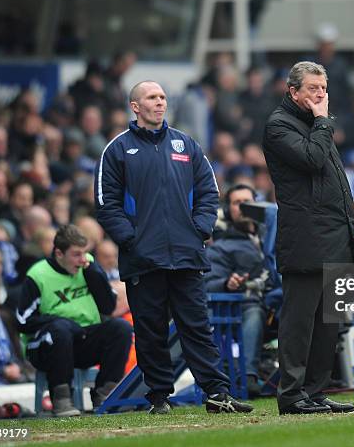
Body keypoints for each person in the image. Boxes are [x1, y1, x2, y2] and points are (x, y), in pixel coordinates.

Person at [94, 80, 253, 414]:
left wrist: (200, 229)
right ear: (135, 106)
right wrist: (131, 240)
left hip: (186, 253)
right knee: (150, 331)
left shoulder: (186, 144)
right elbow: (106, 203)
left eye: (163, 97)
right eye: (152, 97)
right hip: (143, 257)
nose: (160, 102)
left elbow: (209, 191)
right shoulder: (118, 149)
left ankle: (216, 392)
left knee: (197, 327)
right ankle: (158, 397)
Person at [263, 61, 354, 415]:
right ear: (293, 92)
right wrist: (322, 121)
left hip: (334, 235)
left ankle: (316, 392)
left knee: (327, 324)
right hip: (305, 238)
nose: (320, 95)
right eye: (313, 89)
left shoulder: (316, 124)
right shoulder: (279, 125)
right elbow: (312, 159)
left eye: (323, 88)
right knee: (299, 322)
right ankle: (291, 395)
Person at [16, 225, 133, 417]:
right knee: (61, 329)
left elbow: (108, 308)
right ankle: (61, 398)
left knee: (120, 328)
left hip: (81, 341)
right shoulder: (38, 275)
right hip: (45, 347)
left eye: (85, 253)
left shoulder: (88, 266)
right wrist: (60, 321)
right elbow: (22, 321)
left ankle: (105, 393)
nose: (82, 260)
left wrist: (94, 274)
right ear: (59, 253)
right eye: (76, 255)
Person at [204, 184, 276, 397]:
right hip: (243, 309)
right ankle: (249, 377)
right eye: (237, 203)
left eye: (248, 202)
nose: (244, 207)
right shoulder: (221, 246)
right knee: (253, 310)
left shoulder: (274, 232)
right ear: (228, 210)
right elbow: (208, 282)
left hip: (278, 305)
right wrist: (228, 283)